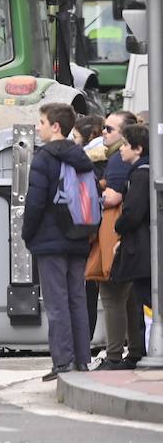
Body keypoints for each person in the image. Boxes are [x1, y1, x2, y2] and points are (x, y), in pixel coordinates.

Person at [22, 102, 94, 381]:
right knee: (77, 299)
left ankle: (63, 361)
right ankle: (82, 359)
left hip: (50, 240)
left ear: (55, 126)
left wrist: (27, 234)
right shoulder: (81, 156)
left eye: (41, 122)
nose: (38, 127)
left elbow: (35, 202)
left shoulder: (44, 158)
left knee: (56, 302)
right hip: (78, 235)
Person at [92, 112, 145, 368]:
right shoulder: (139, 163)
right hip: (135, 238)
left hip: (114, 231)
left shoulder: (116, 161)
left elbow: (113, 198)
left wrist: (94, 199)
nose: (104, 132)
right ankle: (135, 351)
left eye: (109, 129)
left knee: (112, 294)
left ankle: (113, 356)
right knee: (132, 297)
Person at [110, 124, 152, 369]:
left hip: (142, 250)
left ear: (138, 148)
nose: (121, 149)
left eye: (125, 144)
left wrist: (119, 225)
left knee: (145, 301)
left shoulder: (140, 174)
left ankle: (147, 351)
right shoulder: (144, 171)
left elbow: (134, 213)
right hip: (143, 248)